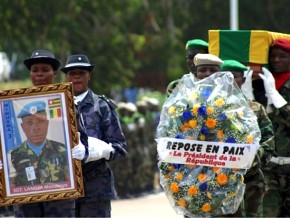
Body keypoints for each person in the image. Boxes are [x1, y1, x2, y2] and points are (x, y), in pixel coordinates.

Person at [61, 54, 127, 217]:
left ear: (89, 75)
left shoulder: (102, 106)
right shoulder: (55, 106)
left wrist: (96, 151)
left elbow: (120, 147)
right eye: (72, 73)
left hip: (95, 188)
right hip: (63, 190)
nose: (76, 76)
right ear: (66, 76)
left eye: (81, 72)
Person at [12, 50, 76, 217]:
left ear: (54, 72)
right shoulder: (14, 154)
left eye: (45, 69)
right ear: (23, 126)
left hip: (61, 200)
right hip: (26, 202)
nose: (39, 74)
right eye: (35, 70)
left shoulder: (68, 102)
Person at [220, 60, 275, 217]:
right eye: (225, 76)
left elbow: (268, 141)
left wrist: (252, 158)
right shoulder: (208, 109)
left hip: (250, 181)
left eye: (234, 76)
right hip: (218, 182)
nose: (229, 80)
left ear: (243, 79)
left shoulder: (255, 109)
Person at [260, 38, 290, 217]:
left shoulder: (272, 87)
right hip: (270, 168)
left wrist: (275, 97)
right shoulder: (263, 81)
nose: (276, 60)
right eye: (272, 57)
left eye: (282, 56)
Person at [10, 100, 69, 186]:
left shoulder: (63, 150)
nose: (35, 128)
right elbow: (10, 188)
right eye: (29, 123)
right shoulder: (13, 156)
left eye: (40, 121)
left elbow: (71, 183)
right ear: (22, 127)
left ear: (47, 124)